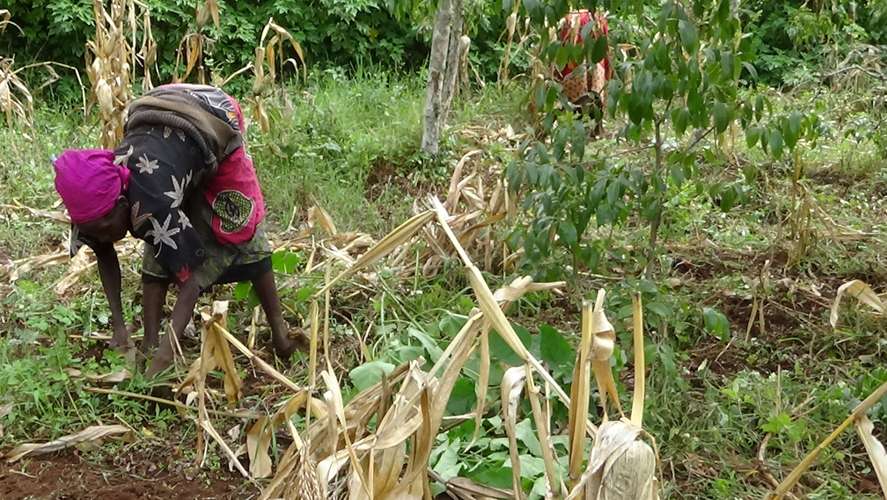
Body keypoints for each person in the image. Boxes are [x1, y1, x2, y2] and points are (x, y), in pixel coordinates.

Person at [53, 84, 307, 376]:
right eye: (92, 230)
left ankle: (281, 335)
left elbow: (192, 282)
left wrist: (166, 353)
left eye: (104, 228)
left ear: (123, 202)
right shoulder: (94, 204)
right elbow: (104, 250)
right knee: (158, 238)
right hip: (163, 119)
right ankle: (147, 344)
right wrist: (120, 328)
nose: (101, 235)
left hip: (213, 119)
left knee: (240, 229)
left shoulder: (151, 202)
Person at [554, 9, 613, 135]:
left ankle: (579, 124)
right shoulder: (595, 17)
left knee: (584, 85)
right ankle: (593, 126)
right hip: (585, 26)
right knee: (592, 84)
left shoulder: (574, 18)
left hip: (582, 26)